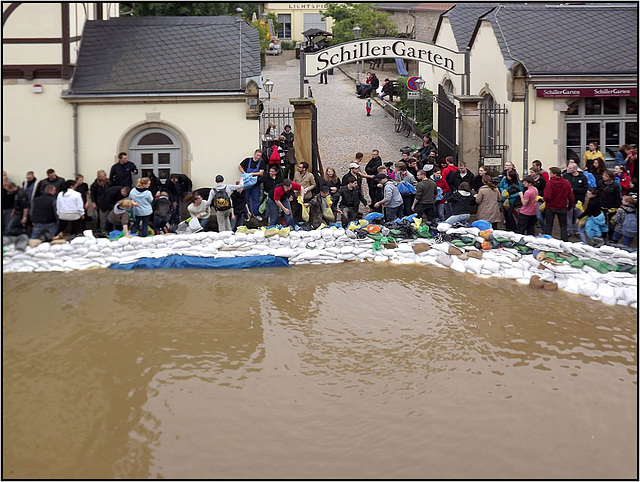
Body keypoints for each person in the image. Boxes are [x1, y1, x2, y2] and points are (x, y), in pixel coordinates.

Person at [543, 166, 574, 241]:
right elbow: (571, 197)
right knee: (563, 226)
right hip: (562, 207)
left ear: (554, 174)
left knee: (549, 225)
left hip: (551, 207)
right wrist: (569, 207)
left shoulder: (550, 183)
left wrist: (544, 200)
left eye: (550, 173)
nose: (549, 175)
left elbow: (547, 196)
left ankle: (547, 241)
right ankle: (564, 241)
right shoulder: (566, 183)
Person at [563, 162, 588, 239]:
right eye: (568, 167)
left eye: (570, 168)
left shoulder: (582, 177)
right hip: (568, 200)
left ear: (575, 169)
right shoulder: (565, 176)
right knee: (568, 216)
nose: (568, 169)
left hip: (579, 201)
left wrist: (573, 190)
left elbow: (584, 189)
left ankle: (577, 231)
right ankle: (569, 230)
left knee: (578, 216)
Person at [239, 149, 266, 219]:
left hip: (256, 184)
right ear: (254, 154)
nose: (258, 157)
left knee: (256, 199)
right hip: (247, 184)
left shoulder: (262, 163)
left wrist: (251, 174)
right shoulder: (247, 160)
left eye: (260, 156)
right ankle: (248, 214)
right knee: (246, 199)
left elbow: (261, 173)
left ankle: (256, 214)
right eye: (257, 155)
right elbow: (239, 166)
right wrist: (244, 173)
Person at [90, 170, 110, 234]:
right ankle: (100, 230)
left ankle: (108, 229)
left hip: (108, 201)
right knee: (100, 217)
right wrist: (93, 202)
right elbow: (92, 194)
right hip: (99, 202)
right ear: (99, 177)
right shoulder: (95, 185)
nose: (104, 177)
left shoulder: (109, 182)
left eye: (104, 176)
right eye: (102, 176)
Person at [528, 165, 547, 232]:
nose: (531, 174)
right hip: (530, 200)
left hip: (539, 199)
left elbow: (544, 189)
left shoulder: (541, 179)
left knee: (538, 216)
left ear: (536, 173)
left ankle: (544, 229)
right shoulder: (528, 179)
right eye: (530, 172)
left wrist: (538, 194)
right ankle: (531, 229)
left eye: (532, 172)